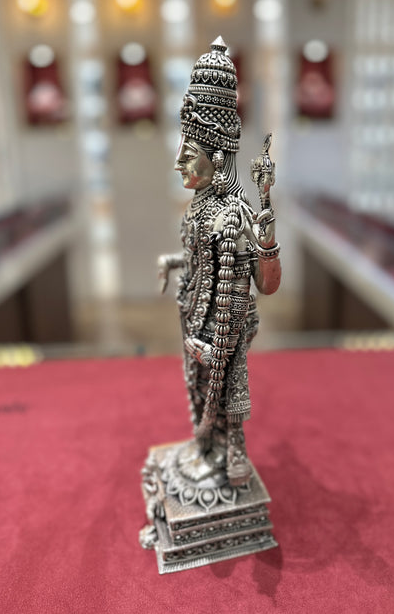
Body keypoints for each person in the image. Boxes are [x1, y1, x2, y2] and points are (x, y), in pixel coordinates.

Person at [158, 37, 281, 488]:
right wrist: (175, 261)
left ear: (217, 158)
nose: (179, 163)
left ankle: (234, 454)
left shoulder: (235, 214)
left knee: (228, 391)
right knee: (197, 386)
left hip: (225, 323)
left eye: (188, 154)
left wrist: (267, 240)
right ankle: (207, 444)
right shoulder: (199, 208)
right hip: (194, 314)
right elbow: (200, 260)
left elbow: (266, 284)